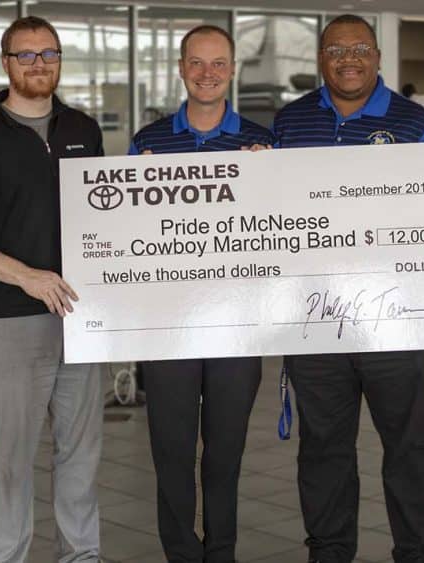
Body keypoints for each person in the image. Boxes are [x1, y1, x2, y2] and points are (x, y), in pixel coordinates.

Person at [273, 14, 424, 563]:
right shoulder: (287, 124)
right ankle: (328, 553)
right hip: (317, 325)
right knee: (322, 452)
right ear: (320, 59)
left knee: (412, 452)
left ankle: (420, 555)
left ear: (378, 57)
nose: (348, 59)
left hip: (400, 324)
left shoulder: (420, 126)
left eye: (360, 49)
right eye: (335, 50)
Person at [0, 16, 106, 563]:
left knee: (81, 455)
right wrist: (27, 277)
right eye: (26, 55)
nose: (39, 64)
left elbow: (105, 212)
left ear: (60, 60)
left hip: (82, 317)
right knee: (13, 458)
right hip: (15, 320)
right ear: (6, 63)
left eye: (49, 53)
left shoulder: (84, 130)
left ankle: (82, 555)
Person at [128, 24, 273, 563]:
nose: (207, 73)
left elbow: (285, 233)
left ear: (232, 70)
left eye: (218, 64)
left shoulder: (264, 143)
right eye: (197, 62)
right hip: (168, 327)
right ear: (182, 68)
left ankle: (223, 552)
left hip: (239, 326)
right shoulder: (147, 143)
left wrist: (269, 181)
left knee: (225, 452)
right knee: (170, 452)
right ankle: (181, 554)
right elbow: (127, 237)